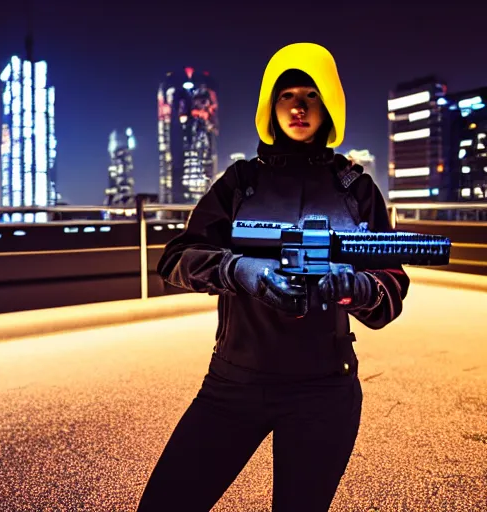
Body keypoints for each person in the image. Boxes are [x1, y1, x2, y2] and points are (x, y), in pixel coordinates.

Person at [136, 42, 410, 512]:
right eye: (287, 95)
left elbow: (390, 288)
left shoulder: (357, 189)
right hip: (234, 382)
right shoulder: (240, 182)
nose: (299, 106)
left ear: (329, 104)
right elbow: (175, 259)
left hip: (325, 389)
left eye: (311, 94)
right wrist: (238, 270)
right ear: (271, 105)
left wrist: (357, 288)